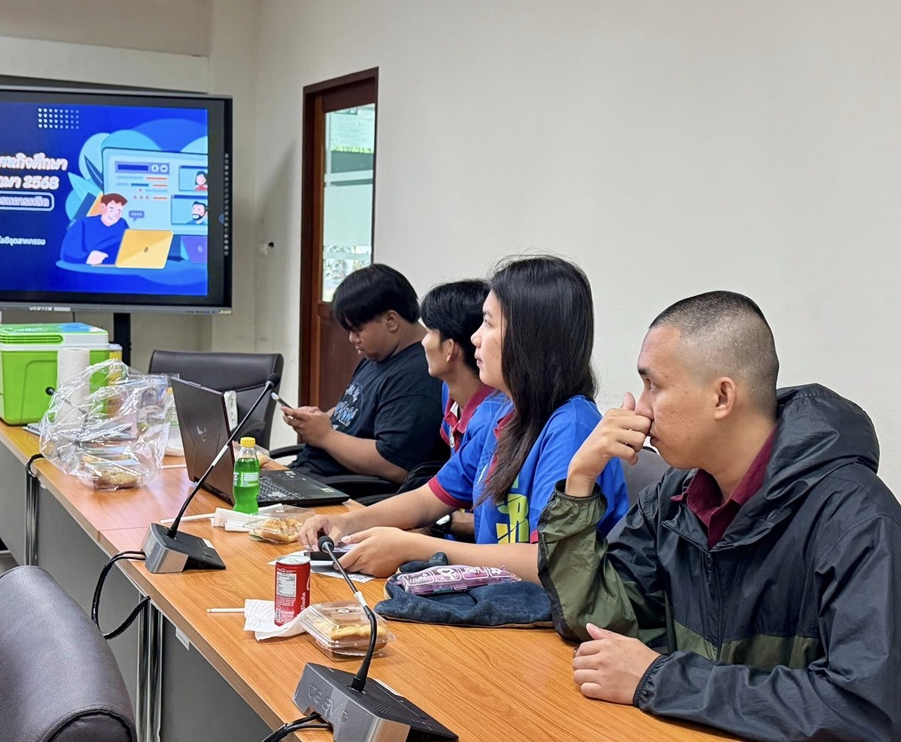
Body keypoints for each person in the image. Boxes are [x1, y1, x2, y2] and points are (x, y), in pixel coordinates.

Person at [538, 291, 901, 740]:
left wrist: (662, 679)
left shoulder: (858, 523)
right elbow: (599, 623)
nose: (639, 409)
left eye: (654, 386)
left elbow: (862, 711)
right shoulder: (675, 495)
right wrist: (579, 481)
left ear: (722, 397)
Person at [298, 255, 629, 582]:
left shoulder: (571, 427)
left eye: (489, 324)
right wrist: (348, 522)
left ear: (529, 336)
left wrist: (414, 547)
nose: (474, 338)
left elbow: (544, 564)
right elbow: (430, 498)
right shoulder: (502, 413)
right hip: (497, 598)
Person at [284, 264, 447, 486]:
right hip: (310, 474)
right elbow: (357, 411)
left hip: (337, 489)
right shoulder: (378, 356)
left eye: (357, 330)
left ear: (391, 320)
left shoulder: (419, 375)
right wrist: (320, 419)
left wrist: (325, 436)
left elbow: (394, 464)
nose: (352, 339)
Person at [420, 278, 504, 540]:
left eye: (429, 332)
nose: (423, 342)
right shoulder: (449, 392)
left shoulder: (494, 416)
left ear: (449, 349)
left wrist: (441, 522)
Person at [60, 193, 130, 265]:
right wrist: (87, 257)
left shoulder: (122, 224)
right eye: (111, 209)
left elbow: (127, 247)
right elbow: (67, 252)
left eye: (119, 211)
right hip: (88, 268)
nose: (115, 214)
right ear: (103, 207)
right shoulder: (83, 223)